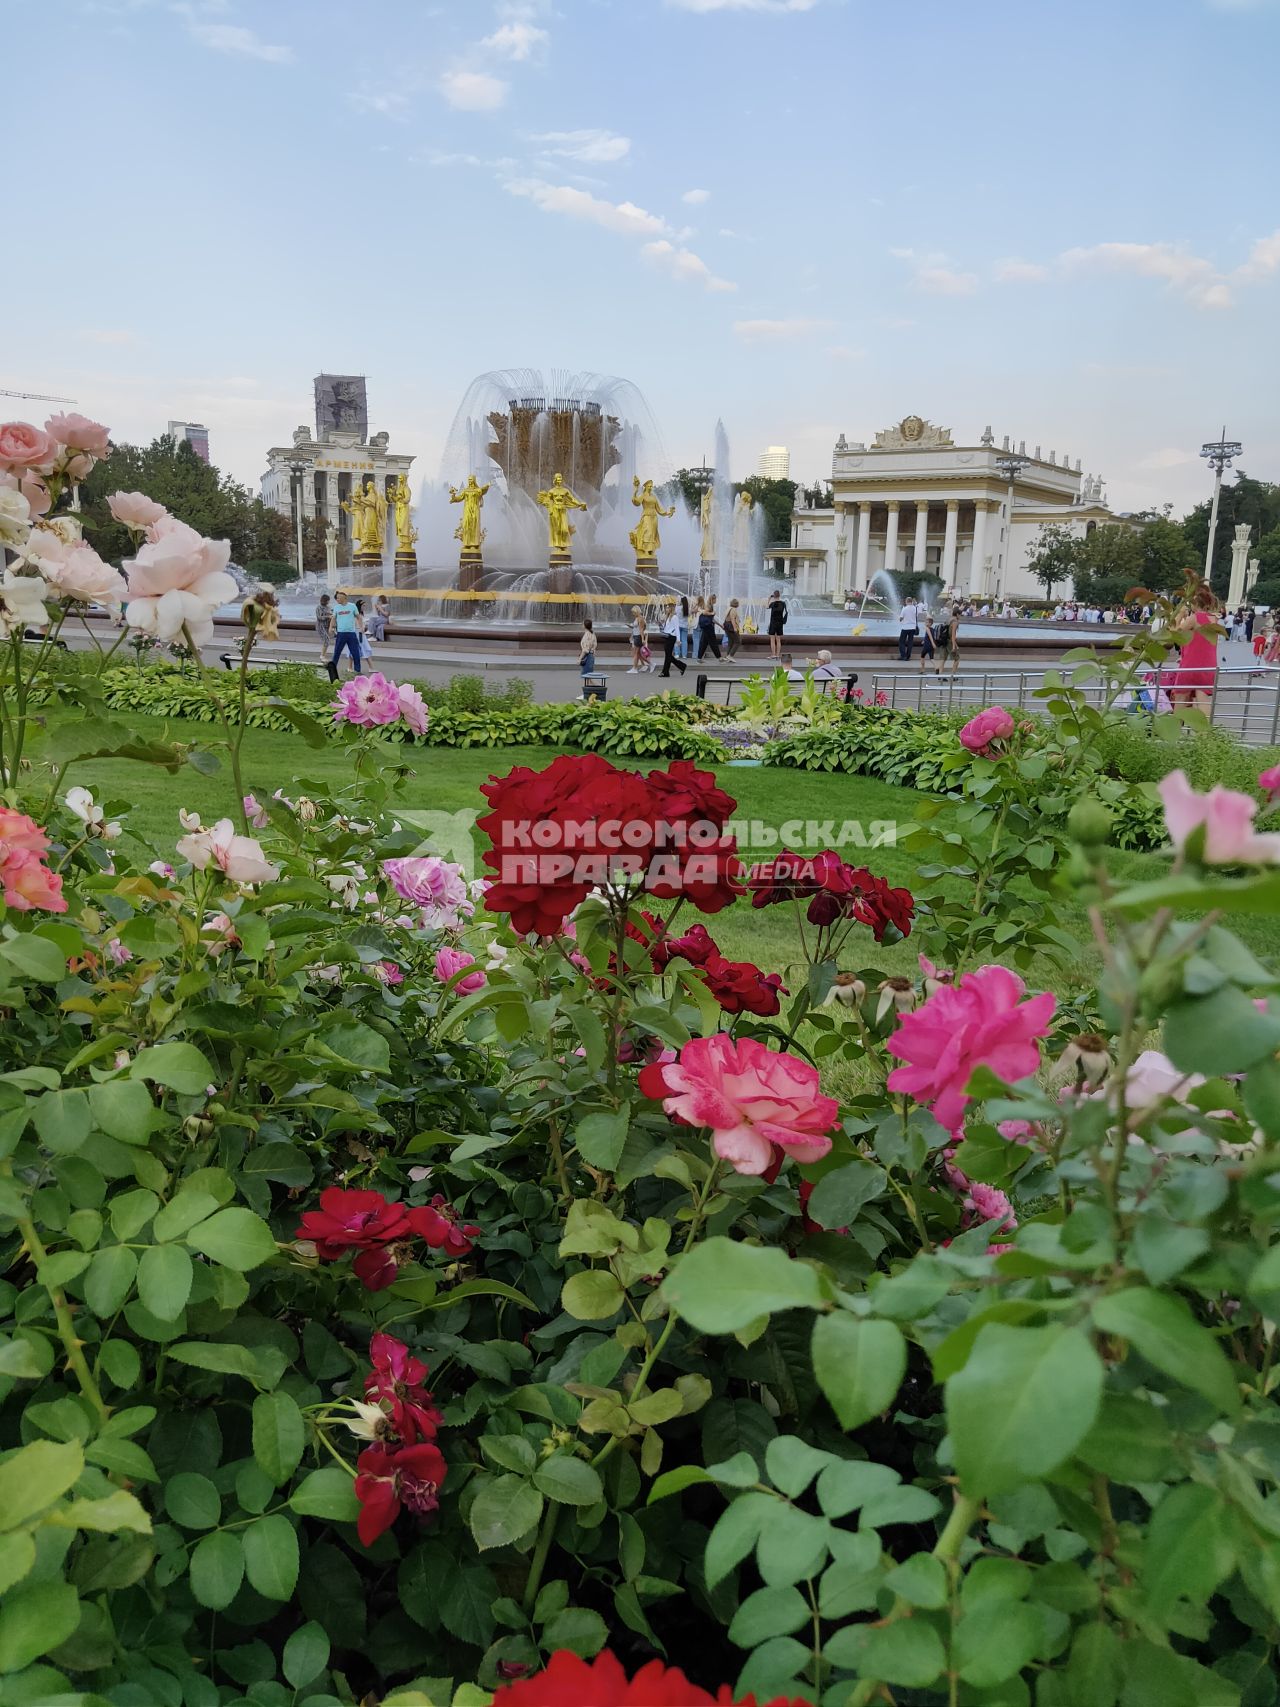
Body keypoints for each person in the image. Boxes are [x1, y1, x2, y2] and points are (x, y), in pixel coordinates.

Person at [1170, 582, 1220, 713]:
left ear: (1195, 603)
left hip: (1191, 664)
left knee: (1181, 696)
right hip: (1208, 665)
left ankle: (1177, 729)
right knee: (1202, 697)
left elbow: (1173, 634)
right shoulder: (1213, 619)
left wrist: (1180, 614)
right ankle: (1205, 732)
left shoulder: (1194, 618)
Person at [327, 590, 363, 680]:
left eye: (338, 598)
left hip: (351, 633)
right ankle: (332, 670)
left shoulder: (352, 606)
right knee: (337, 653)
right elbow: (333, 618)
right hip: (341, 633)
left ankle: (357, 671)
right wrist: (330, 627)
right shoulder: (337, 608)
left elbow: (358, 617)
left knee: (355, 653)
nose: (337, 599)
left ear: (344, 598)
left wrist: (361, 627)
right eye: (337, 598)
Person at [658, 601, 686, 677]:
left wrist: (678, 639)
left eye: (667, 607)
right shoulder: (668, 616)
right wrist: (661, 622)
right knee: (668, 655)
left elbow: (677, 629)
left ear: (671, 608)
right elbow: (667, 627)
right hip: (667, 636)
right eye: (666, 607)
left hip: (671, 637)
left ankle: (665, 672)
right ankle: (682, 666)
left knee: (668, 655)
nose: (666, 608)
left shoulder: (674, 617)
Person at [935, 601, 960, 674]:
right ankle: (953, 676)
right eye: (960, 615)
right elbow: (953, 635)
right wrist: (954, 646)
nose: (960, 616)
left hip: (943, 640)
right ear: (957, 614)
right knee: (957, 659)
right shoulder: (955, 622)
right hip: (949, 642)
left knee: (943, 659)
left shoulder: (949, 619)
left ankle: (940, 675)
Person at [697, 595, 722, 661]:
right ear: (713, 599)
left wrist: (720, 625)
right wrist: (712, 613)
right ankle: (719, 657)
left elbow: (712, 619)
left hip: (707, 626)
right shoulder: (709, 606)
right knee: (713, 642)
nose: (716, 600)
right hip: (708, 627)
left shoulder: (710, 605)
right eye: (715, 599)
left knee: (704, 642)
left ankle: (699, 658)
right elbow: (704, 612)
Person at [627, 605, 651, 673]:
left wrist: (643, 639)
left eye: (634, 612)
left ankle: (634, 668)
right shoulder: (637, 618)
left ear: (637, 611)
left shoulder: (640, 618)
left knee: (635, 654)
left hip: (638, 637)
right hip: (636, 636)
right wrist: (630, 627)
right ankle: (648, 665)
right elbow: (636, 628)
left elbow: (641, 630)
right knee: (638, 654)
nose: (633, 614)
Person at [766, 589, 787, 660]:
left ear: (774, 596)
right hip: (780, 623)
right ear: (779, 595)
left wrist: (769, 599)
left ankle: (773, 654)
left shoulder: (773, 604)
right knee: (778, 640)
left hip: (773, 623)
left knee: (772, 639)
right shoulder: (783, 603)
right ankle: (778, 655)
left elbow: (766, 606)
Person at [897, 595, 919, 661]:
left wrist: (899, 618)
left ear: (906, 601)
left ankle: (903, 655)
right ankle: (908, 656)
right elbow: (916, 616)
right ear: (911, 601)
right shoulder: (915, 608)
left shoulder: (905, 608)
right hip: (913, 627)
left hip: (905, 627)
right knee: (910, 642)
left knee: (901, 641)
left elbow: (901, 619)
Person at [315, 593, 332, 663]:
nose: (328, 602)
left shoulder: (328, 607)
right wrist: (328, 616)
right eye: (327, 600)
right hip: (321, 626)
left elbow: (331, 613)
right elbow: (319, 617)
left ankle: (323, 655)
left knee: (327, 640)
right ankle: (322, 656)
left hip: (327, 626)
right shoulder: (319, 607)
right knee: (327, 640)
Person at [676, 595, 690, 660]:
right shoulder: (687, 609)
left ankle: (677, 654)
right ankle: (684, 655)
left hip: (678, 626)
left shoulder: (678, 608)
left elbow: (674, 614)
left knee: (678, 640)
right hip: (685, 626)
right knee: (684, 640)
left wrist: (677, 604)